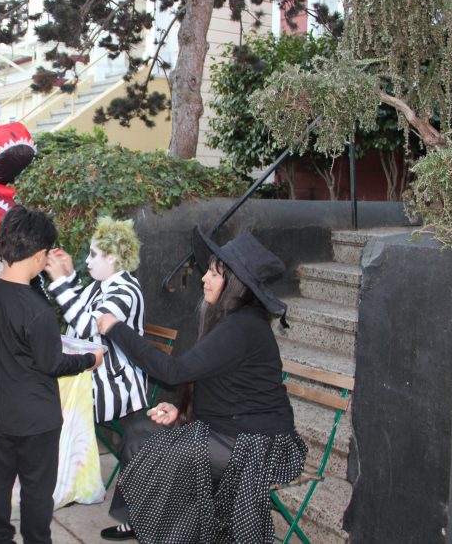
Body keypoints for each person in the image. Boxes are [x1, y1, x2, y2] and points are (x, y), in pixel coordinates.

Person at [95, 229, 307, 543]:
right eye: (206, 271)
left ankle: (160, 529)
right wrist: (181, 412)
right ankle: (140, 521)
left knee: (160, 451)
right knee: (140, 432)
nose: (204, 279)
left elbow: (173, 371)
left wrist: (117, 329)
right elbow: (219, 387)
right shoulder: (230, 322)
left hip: (257, 445)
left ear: (234, 284)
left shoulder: (242, 327)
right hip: (228, 431)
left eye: (213, 273)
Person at [0, 206, 104, 544]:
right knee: (36, 491)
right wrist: (87, 360)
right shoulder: (37, 312)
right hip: (36, 418)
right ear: (39, 255)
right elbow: (53, 363)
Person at [45, 217, 147, 423]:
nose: (88, 261)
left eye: (93, 255)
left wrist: (59, 282)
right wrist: (69, 276)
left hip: (114, 385)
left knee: (48, 400)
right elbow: (83, 308)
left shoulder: (126, 291)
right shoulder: (101, 284)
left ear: (111, 257)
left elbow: (87, 326)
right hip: (97, 373)